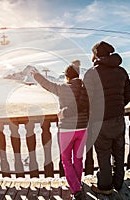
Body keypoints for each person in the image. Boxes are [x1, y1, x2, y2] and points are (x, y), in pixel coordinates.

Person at [31, 61, 88, 200]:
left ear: (67, 77)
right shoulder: (85, 89)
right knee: (78, 159)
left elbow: (47, 85)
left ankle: (76, 189)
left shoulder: (62, 88)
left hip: (67, 129)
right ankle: (77, 184)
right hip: (83, 128)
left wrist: (36, 75)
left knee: (66, 160)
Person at [83, 41, 130, 195]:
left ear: (96, 55)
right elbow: (128, 95)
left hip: (100, 122)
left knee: (103, 155)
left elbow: (85, 100)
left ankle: (105, 187)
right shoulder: (121, 71)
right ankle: (118, 183)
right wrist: (117, 107)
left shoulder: (91, 73)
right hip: (118, 119)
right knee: (119, 152)